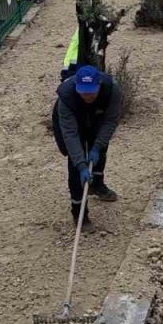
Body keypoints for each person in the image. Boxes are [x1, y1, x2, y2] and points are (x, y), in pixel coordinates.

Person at [52, 65, 121, 232]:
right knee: (75, 164)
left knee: (100, 149)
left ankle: (96, 185)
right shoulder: (66, 98)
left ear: (98, 86)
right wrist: (81, 165)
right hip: (72, 121)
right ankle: (79, 214)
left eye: (91, 91)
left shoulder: (111, 90)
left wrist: (97, 147)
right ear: (76, 86)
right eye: (83, 91)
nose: (87, 95)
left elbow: (110, 121)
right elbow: (70, 135)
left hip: (96, 117)